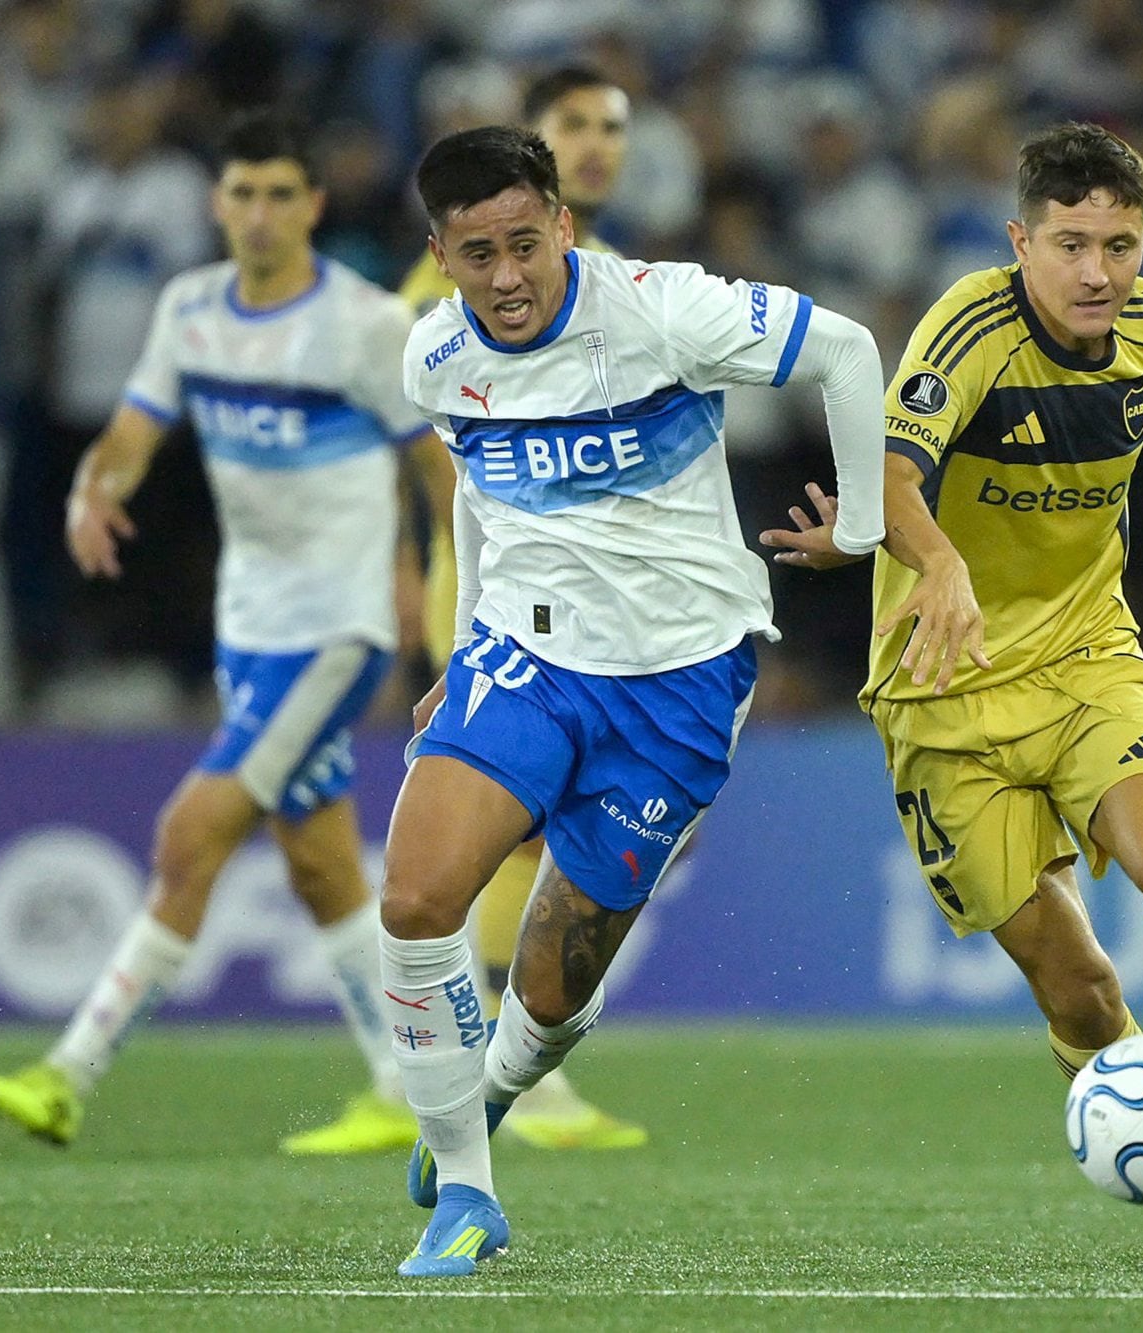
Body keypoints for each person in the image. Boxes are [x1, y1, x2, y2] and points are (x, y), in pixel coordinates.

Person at [762, 122, 1143, 1274]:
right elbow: (893, 465)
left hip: (1086, 656)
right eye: (1070, 244)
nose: (1096, 271)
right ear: (1018, 239)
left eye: (1119, 245)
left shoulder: (1140, 326)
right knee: (1075, 982)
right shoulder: (969, 325)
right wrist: (921, 555)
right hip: (939, 686)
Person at [378, 125, 896, 1276]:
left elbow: (851, 350)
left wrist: (860, 527)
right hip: (526, 661)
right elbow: (478, 493)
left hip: (679, 680)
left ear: (562, 225)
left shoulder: (665, 312)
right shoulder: (432, 360)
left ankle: (497, 1088)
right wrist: (462, 650)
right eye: (477, 255)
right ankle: (463, 1188)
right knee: (415, 900)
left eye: (525, 243)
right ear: (440, 254)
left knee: (556, 988)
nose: (506, 277)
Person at [0, 111, 450, 1156]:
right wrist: (91, 496)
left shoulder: (364, 324)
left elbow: (433, 465)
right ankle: (406, 1087)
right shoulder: (189, 308)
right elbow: (134, 432)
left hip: (337, 630)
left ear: (313, 207)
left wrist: (428, 577)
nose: (261, 214)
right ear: (216, 204)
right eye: (243, 193)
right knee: (322, 868)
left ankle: (66, 1074)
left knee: (189, 835)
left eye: (283, 194)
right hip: (249, 628)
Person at [397, 64, 649, 1152]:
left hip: (601, 594)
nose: (596, 144)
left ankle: (506, 1065)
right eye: (572, 127)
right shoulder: (442, 300)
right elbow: (435, 472)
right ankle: (505, 1079)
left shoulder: (605, 284)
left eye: (610, 127)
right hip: (494, 588)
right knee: (508, 839)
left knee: (572, 835)